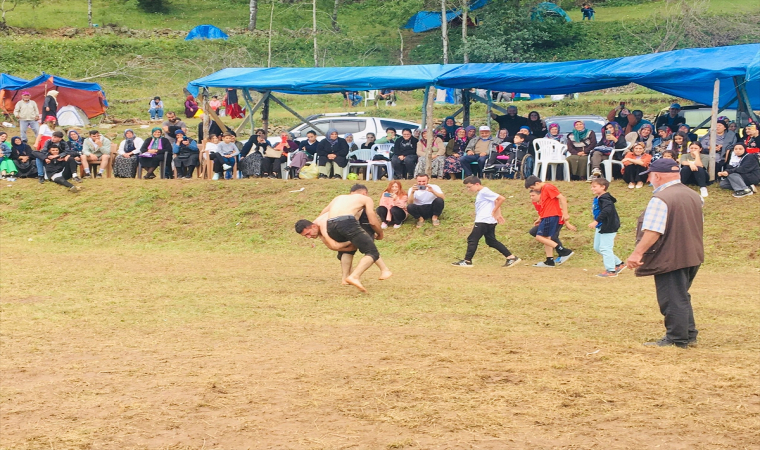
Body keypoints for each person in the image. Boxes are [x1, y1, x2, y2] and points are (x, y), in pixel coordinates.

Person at [626, 158, 704, 348]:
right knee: (681, 294)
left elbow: (653, 231)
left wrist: (637, 254)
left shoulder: (661, 199)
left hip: (672, 255)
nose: (649, 180)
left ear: (658, 175)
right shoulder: (694, 195)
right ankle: (688, 333)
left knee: (672, 297)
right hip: (692, 254)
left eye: (650, 176)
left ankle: (677, 339)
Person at [296, 184, 390, 292]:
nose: (309, 237)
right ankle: (357, 276)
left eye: (308, 234)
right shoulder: (366, 199)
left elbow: (324, 213)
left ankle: (345, 277)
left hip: (331, 224)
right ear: (364, 193)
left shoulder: (338, 199)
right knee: (371, 250)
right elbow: (373, 221)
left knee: (351, 249)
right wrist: (380, 233)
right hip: (347, 221)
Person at [452, 176, 522, 268]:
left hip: (484, 220)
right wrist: (498, 214)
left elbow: (501, 198)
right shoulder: (483, 192)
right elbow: (496, 200)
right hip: (488, 220)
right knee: (491, 241)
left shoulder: (484, 191)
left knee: (472, 239)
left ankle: (467, 261)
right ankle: (511, 257)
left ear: (477, 184)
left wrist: (494, 211)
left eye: (469, 187)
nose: (468, 189)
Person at [524, 175, 574, 267]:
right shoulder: (543, 190)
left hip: (551, 216)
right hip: (546, 216)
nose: (534, 189)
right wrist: (540, 218)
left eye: (533, 187)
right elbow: (546, 205)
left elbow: (562, 198)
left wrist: (566, 213)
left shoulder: (548, 187)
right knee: (546, 239)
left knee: (539, 237)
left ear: (537, 183)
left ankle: (564, 251)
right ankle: (549, 261)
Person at [588, 177, 624, 278]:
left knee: (605, 248)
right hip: (601, 226)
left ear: (603, 187)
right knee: (598, 247)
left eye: (594, 186)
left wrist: (596, 221)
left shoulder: (605, 199)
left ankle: (611, 270)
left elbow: (607, 210)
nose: (592, 188)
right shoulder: (599, 198)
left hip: (608, 226)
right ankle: (619, 263)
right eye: (592, 187)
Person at [527, 189, 576, 254]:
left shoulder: (546, 201)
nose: (531, 198)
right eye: (530, 196)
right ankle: (551, 246)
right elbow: (542, 212)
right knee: (534, 231)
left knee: (553, 237)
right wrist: (539, 219)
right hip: (546, 220)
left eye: (533, 195)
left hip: (557, 220)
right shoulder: (535, 202)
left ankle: (562, 252)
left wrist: (567, 223)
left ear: (540, 195)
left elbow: (560, 211)